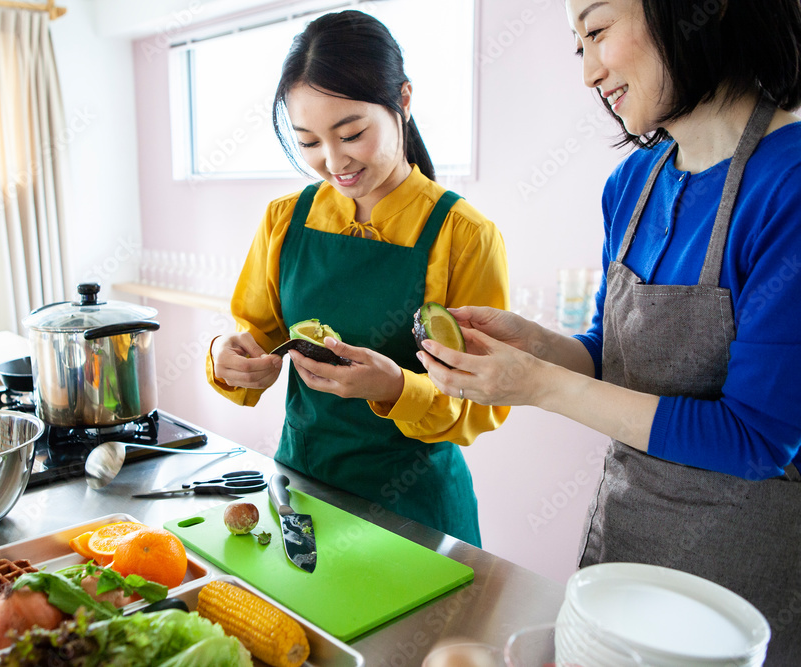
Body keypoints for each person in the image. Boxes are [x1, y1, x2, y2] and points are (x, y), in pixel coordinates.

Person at [419, 0, 801, 660]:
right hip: (619, 558)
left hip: (732, 595)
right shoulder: (633, 185)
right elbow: (611, 356)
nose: (589, 73)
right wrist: (536, 344)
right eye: (577, 46)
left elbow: (758, 438)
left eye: (595, 31)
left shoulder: (788, 185)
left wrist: (538, 384)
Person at [206, 10, 509, 547]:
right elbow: (257, 335)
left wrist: (395, 389)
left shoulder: (463, 236)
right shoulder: (285, 220)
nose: (332, 160)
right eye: (308, 142)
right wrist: (228, 360)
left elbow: (484, 402)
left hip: (417, 512)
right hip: (303, 489)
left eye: (351, 134)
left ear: (404, 102)